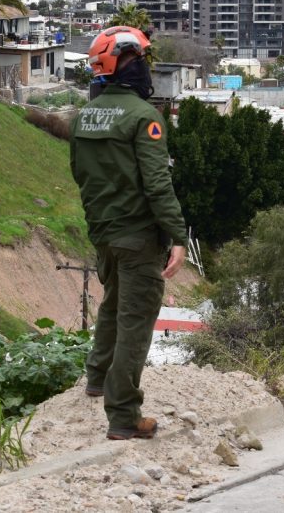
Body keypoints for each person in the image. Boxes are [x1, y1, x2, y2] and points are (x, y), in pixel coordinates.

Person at [70, 25, 188, 440]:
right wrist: (177, 235)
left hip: (103, 232)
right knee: (136, 319)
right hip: (138, 236)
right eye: (140, 60)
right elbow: (157, 184)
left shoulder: (83, 117)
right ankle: (123, 414)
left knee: (114, 304)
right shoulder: (144, 117)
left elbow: (80, 175)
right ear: (124, 65)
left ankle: (97, 376)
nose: (145, 69)